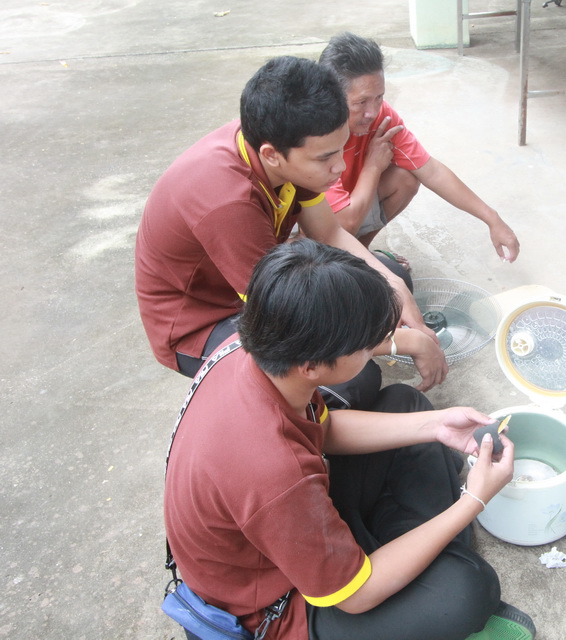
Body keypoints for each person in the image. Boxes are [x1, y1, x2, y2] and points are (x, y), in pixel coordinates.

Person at [163, 238, 536, 640]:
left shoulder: (256, 347)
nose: (377, 349)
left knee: (406, 403)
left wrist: (437, 425)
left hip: (288, 533)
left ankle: (414, 558)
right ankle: (425, 564)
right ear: (311, 366)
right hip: (278, 605)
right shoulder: (273, 470)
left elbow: (324, 430)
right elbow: (356, 597)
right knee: (466, 591)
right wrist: (473, 500)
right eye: (366, 345)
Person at [135, 56, 447, 402]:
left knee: (386, 282)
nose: (339, 167)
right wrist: (403, 342)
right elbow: (284, 314)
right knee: (349, 380)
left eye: (340, 150)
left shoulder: (287, 143)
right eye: (325, 158)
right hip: (206, 321)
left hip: (262, 284)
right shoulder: (228, 203)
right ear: (271, 155)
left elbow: (329, 233)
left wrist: (394, 287)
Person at [317, 33, 520, 263]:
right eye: (361, 102)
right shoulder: (316, 132)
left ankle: (360, 253)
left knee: (405, 178)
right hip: (318, 226)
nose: (372, 112)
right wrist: (373, 166)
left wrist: (492, 218)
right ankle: (349, 260)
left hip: (352, 204)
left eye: (379, 97)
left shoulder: (381, 117)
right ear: (332, 97)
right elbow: (345, 223)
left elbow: (431, 170)